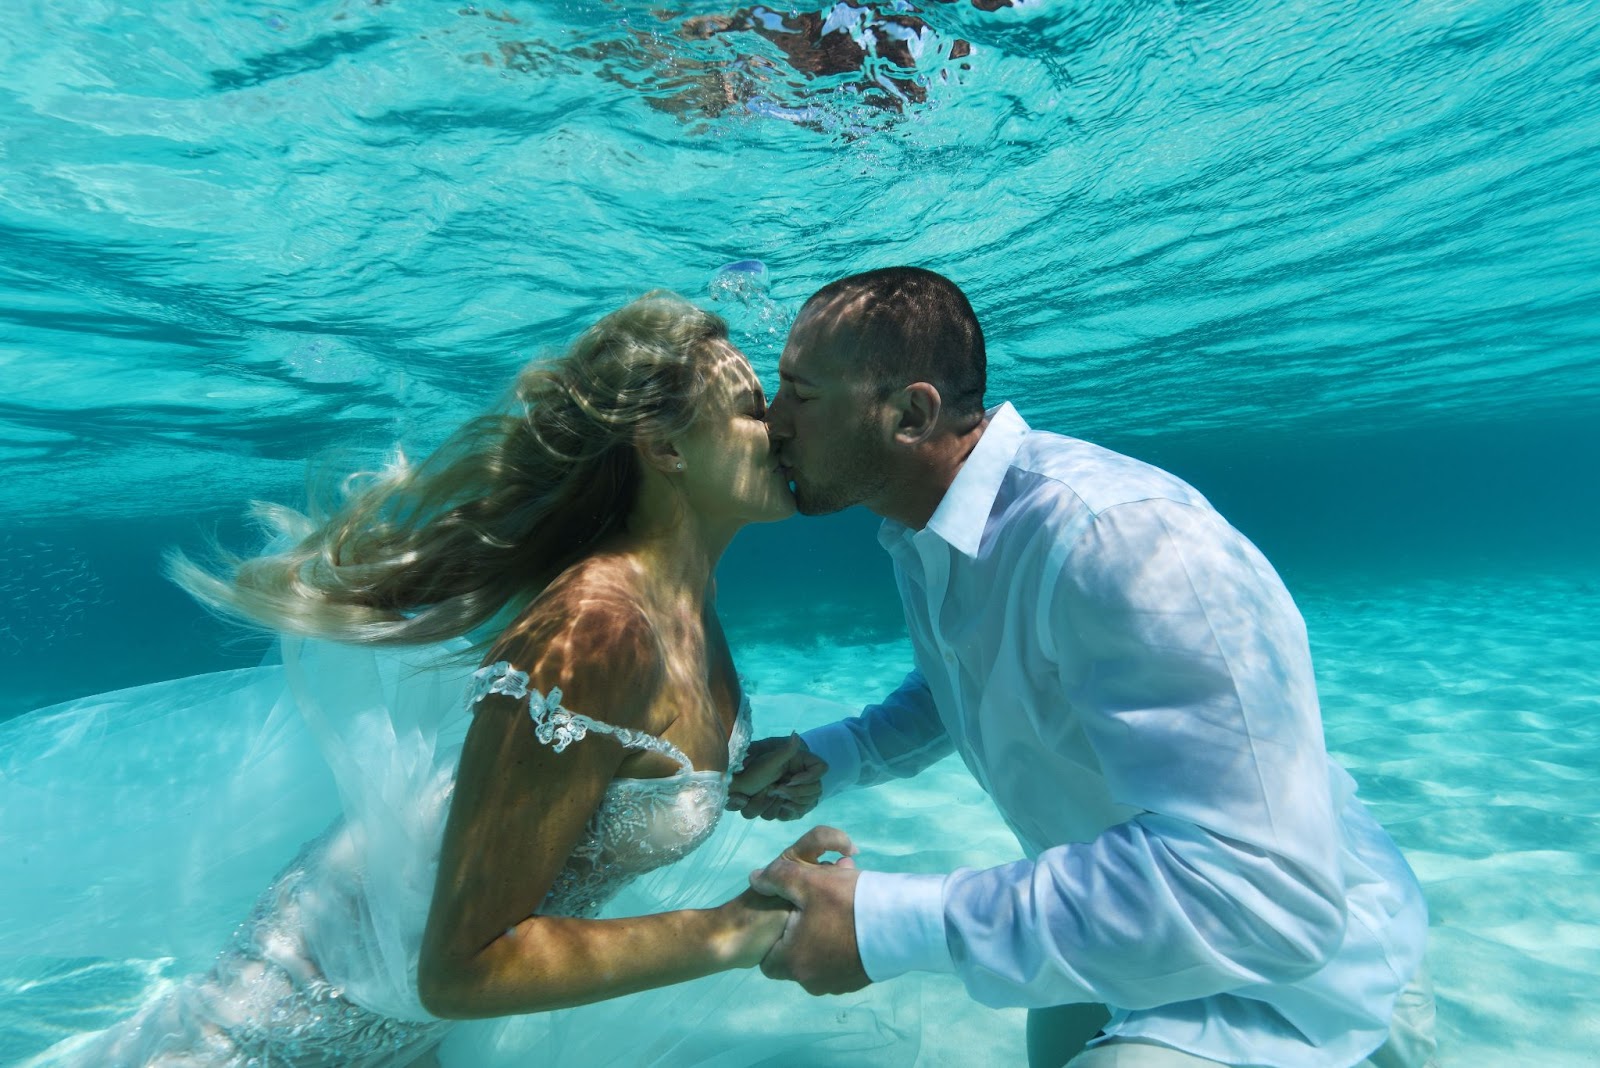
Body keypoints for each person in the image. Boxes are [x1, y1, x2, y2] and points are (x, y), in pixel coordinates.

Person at [5, 291, 833, 1067]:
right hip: (275, 1023)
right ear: (662, 448)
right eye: (753, 411)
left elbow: (594, 789)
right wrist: (737, 930)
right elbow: (464, 970)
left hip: (398, 1024)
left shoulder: (685, 603)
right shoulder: (598, 626)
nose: (784, 430)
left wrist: (721, 780)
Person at [730, 267, 1438, 1067]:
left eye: (798, 391)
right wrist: (842, 753)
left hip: (1302, 966)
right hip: (1142, 918)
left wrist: (888, 923)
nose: (768, 422)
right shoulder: (930, 525)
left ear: (910, 414)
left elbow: (1262, 891)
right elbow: (967, 676)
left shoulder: (1122, 541)